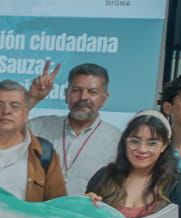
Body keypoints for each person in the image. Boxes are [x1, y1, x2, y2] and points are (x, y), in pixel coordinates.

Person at [29, 63, 122, 200]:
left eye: (93, 92)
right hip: (37, 216)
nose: (83, 97)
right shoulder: (38, 128)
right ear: (66, 94)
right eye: (76, 90)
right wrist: (32, 98)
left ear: (104, 98)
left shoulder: (117, 141)